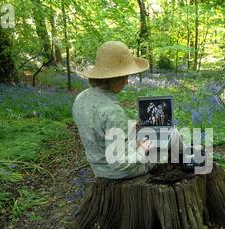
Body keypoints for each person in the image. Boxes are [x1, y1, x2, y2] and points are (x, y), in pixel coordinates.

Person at [73, 41, 179, 179]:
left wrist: (128, 127)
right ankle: (189, 160)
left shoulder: (81, 98)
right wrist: (142, 149)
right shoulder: (113, 111)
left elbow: (100, 130)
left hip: (98, 166)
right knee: (172, 135)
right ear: (113, 78)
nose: (127, 82)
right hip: (119, 172)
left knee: (146, 135)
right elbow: (120, 164)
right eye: (124, 77)